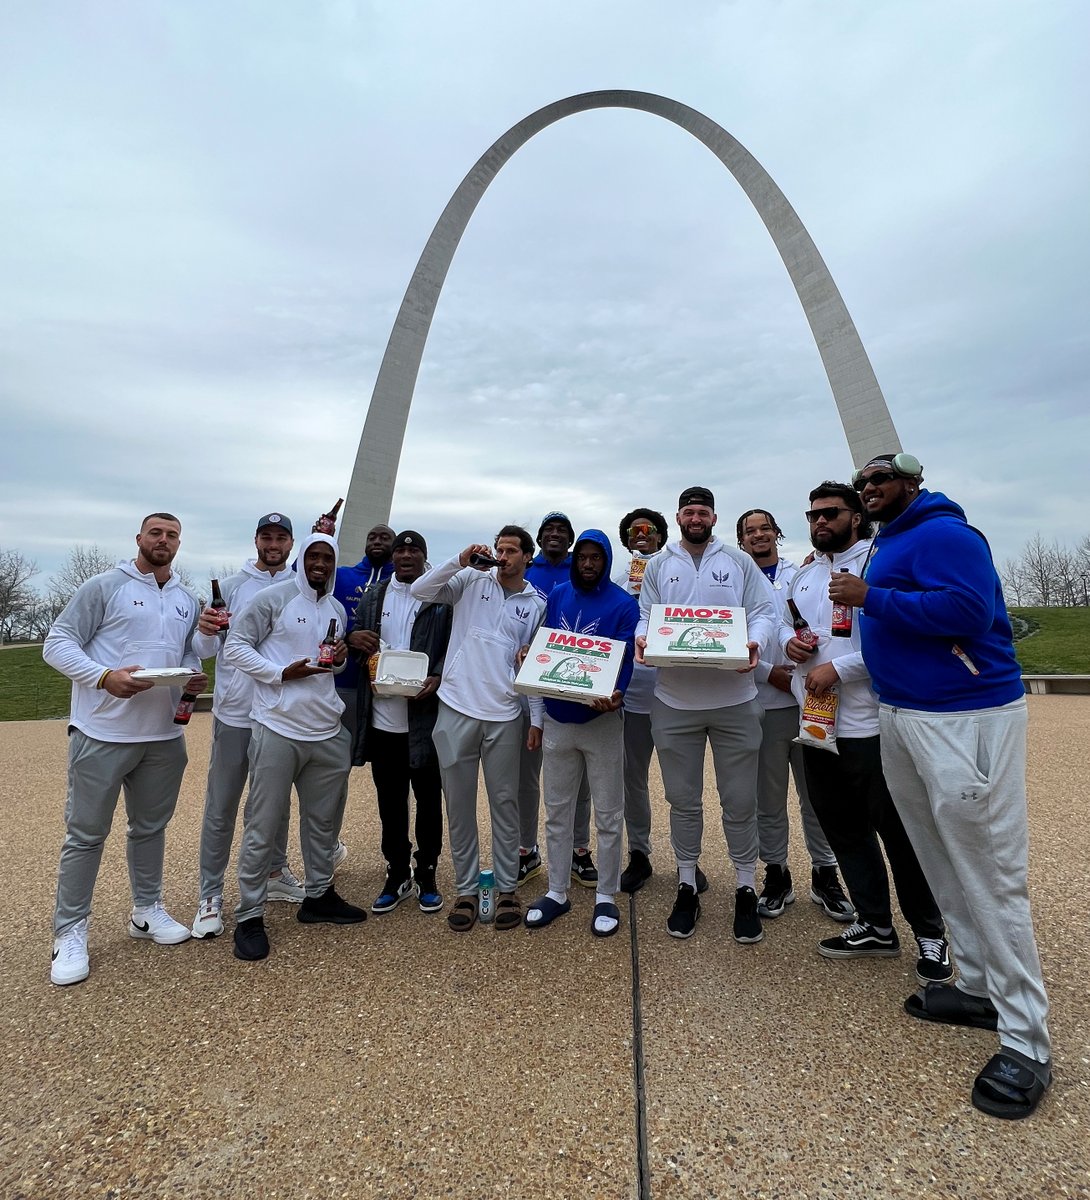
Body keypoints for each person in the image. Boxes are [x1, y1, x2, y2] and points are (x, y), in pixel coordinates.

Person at [832, 452, 1051, 1120]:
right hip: (904, 711)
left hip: (964, 713)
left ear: (911, 481)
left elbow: (964, 610)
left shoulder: (948, 533)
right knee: (939, 859)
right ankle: (981, 989)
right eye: (861, 482)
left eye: (879, 479)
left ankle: (1027, 1040)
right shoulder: (888, 541)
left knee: (988, 869)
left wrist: (872, 599)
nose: (869, 488)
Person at [780, 481, 951, 987]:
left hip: (875, 725)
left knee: (902, 836)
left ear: (856, 516)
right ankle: (875, 924)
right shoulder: (804, 577)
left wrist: (843, 670)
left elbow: (897, 637)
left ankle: (930, 933)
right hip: (816, 724)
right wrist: (795, 646)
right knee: (845, 832)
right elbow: (805, 639)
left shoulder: (880, 561)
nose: (820, 522)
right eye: (812, 515)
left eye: (830, 513)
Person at [44, 513, 208, 986]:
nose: (163, 540)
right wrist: (103, 676)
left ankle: (146, 910)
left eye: (172, 534)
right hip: (102, 733)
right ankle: (70, 931)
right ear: (139, 539)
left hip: (162, 736)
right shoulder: (103, 586)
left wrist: (193, 674)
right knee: (85, 836)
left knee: (150, 828)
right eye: (155, 532)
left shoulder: (184, 598)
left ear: (180, 543)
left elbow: (188, 653)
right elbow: (56, 643)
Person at [634, 486, 775, 943]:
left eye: (704, 512)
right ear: (678, 516)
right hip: (675, 701)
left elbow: (764, 612)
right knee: (683, 800)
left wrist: (755, 641)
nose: (696, 518)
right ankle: (687, 883)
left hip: (735, 699)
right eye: (689, 511)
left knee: (740, 802)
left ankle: (745, 887)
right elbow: (645, 616)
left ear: (714, 518)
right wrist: (642, 638)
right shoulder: (659, 563)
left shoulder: (736, 559)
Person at [224, 533, 366, 961]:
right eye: (314, 556)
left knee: (323, 825)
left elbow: (328, 662)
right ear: (302, 559)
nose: (320, 564)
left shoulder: (336, 607)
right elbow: (235, 647)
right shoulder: (273, 598)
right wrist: (278, 673)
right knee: (262, 824)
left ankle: (319, 896)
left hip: (325, 727)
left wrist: (340, 657)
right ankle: (249, 914)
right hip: (278, 725)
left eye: (327, 558)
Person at [411, 526, 545, 933]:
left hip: (505, 711)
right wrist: (459, 559)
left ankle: (506, 888)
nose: (503, 556)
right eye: (499, 548)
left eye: (511, 551)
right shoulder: (470, 579)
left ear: (527, 557)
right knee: (459, 805)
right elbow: (420, 590)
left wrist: (535, 718)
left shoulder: (537, 601)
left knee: (505, 803)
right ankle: (467, 889)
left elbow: (533, 662)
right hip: (456, 706)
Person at [188, 513, 306, 940]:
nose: (273, 544)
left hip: (277, 713)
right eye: (266, 537)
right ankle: (210, 894)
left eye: (281, 538)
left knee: (273, 803)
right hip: (236, 711)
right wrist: (204, 629)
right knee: (222, 804)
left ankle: (275, 871)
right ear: (256, 540)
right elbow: (204, 647)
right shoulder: (230, 586)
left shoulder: (300, 587)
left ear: (291, 543)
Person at [735, 507, 852, 922]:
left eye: (765, 528)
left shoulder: (803, 573)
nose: (758, 535)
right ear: (741, 540)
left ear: (777, 533)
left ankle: (825, 873)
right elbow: (731, 640)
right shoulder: (733, 577)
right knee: (768, 800)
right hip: (761, 701)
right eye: (750, 531)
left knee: (817, 798)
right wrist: (770, 674)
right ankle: (776, 873)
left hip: (810, 701)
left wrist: (795, 676)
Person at [524, 530, 639, 937]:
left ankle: (606, 893)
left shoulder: (624, 603)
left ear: (606, 561)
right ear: (575, 559)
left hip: (601, 720)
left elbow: (624, 657)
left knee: (608, 812)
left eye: (596, 558)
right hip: (558, 717)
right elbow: (545, 644)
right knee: (557, 810)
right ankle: (557, 890)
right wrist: (531, 666)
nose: (588, 564)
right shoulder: (557, 594)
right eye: (583, 557)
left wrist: (617, 692)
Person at [350, 530, 452, 915]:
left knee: (428, 802)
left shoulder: (441, 597)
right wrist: (355, 639)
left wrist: (439, 674)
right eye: (401, 550)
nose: (406, 555)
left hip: (424, 718)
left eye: (414, 550)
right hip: (383, 718)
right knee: (390, 802)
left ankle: (427, 871)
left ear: (425, 558)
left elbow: (451, 645)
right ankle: (396, 873)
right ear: (392, 557)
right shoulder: (375, 595)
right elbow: (357, 639)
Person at [520, 511, 595, 890]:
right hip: (528, 686)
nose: (554, 535)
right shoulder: (525, 570)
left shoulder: (580, 571)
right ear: (539, 538)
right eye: (548, 529)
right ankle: (526, 849)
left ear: (570, 540)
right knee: (527, 776)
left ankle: (580, 850)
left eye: (561, 531)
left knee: (577, 779)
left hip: (571, 682)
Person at [328, 522, 396, 868]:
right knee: (334, 770)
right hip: (346, 686)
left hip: (389, 694)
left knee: (393, 778)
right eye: (372, 536)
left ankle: (397, 856)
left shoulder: (408, 581)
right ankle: (327, 845)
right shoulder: (342, 576)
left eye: (385, 537)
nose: (378, 541)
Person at [611, 507, 668, 893]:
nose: (642, 535)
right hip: (631, 698)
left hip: (672, 693)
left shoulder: (673, 572)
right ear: (627, 539)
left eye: (649, 530)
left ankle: (688, 859)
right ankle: (640, 853)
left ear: (662, 536)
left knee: (684, 785)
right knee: (633, 781)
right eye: (635, 531)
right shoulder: (616, 580)